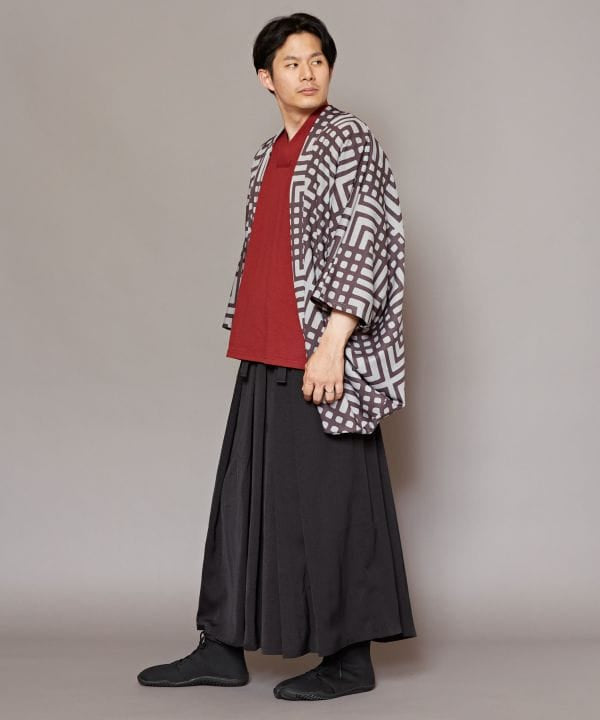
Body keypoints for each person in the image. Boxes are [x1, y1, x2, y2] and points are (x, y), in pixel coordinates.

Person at [137, 12, 416, 701]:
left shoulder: (348, 139)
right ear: (266, 78)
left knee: (332, 503)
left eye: (317, 60)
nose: (308, 73)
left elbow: (367, 240)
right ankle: (222, 645)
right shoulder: (269, 153)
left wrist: (333, 345)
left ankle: (349, 658)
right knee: (247, 502)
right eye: (292, 63)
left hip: (317, 352)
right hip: (264, 348)